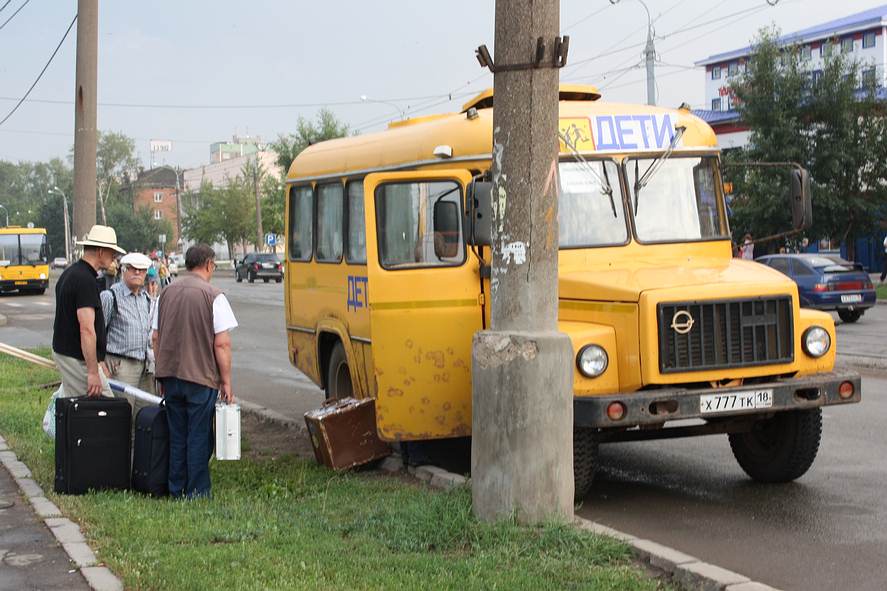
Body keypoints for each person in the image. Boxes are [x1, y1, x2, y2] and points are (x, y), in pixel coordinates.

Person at [153, 244, 237, 499]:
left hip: (170, 375)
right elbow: (222, 344)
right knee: (199, 434)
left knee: (177, 433)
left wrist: (161, 370)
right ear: (209, 264)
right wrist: (226, 381)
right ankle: (197, 491)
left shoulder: (165, 293)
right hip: (201, 377)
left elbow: (156, 337)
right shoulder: (214, 296)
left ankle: (176, 488)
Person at [52, 225, 126, 398]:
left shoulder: (70, 273)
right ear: (100, 251)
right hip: (77, 358)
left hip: (68, 353)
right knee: (103, 405)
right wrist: (93, 372)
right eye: (112, 253)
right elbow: (86, 329)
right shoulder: (85, 280)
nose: (114, 258)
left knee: (75, 405)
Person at [100, 252, 155, 419]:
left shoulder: (145, 298)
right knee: (122, 416)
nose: (137, 273)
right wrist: (100, 365)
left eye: (142, 270)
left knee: (145, 417)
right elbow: (96, 332)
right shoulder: (110, 297)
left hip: (144, 366)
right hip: (121, 366)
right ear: (123, 270)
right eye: (132, 269)